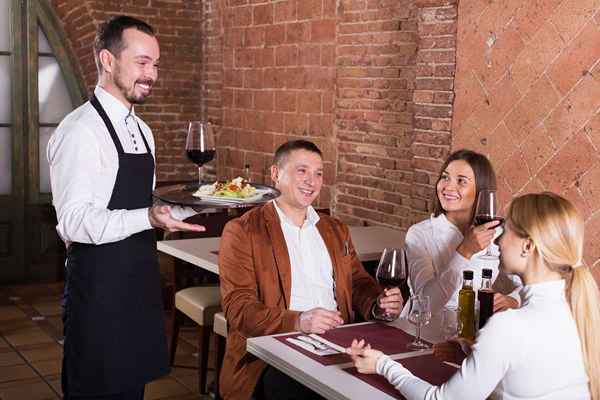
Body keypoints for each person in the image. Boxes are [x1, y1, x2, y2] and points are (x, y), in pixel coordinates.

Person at [48, 16, 204, 399]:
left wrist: (191, 207)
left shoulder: (142, 129)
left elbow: (140, 204)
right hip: (99, 291)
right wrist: (148, 217)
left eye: (155, 64)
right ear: (107, 60)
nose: (151, 74)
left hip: (138, 283)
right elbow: (73, 221)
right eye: (142, 62)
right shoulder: (81, 131)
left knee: (131, 391)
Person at [348, 192, 599, 400]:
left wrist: (382, 364)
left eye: (506, 230)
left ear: (528, 246)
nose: (498, 240)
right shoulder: (579, 309)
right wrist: (473, 354)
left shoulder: (510, 325)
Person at [218, 140, 403, 400]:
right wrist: (299, 321)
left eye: (318, 173)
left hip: (340, 342)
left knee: (395, 384)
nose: (312, 181)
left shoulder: (335, 229)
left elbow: (357, 281)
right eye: (302, 171)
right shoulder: (243, 231)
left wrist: (378, 302)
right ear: (275, 174)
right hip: (276, 352)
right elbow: (239, 309)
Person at [403, 149, 521, 315]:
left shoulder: (498, 234)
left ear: (481, 190)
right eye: (445, 177)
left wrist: (513, 300)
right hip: (424, 331)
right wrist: (464, 251)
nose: (448, 187)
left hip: (475, 329)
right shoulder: (419, 234)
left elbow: (530, 284)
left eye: (461, 181)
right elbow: (425, 304)